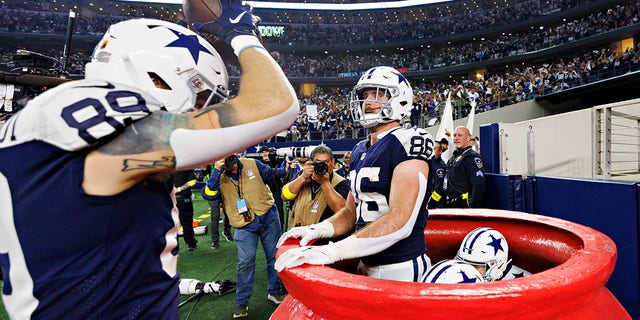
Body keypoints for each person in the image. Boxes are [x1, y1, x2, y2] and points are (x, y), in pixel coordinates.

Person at [0, 2, 298, 318]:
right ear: (160, 78)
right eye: (202, 99)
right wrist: (241, 35)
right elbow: (275, 105)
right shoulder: (99, 124)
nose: (202, 111)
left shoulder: (47, 124)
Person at [275, 66, 435, 283]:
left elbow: (401, 220)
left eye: (377, 94)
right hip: (365, 261)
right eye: (364, 95)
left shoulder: (409, 141)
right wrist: (318, 229)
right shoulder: (360, 149)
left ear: (400, 99)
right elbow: (351, 213)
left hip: (401, 265)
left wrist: (333, 251)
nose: (367, 101)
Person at [205, 154, 288, 318]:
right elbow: (209, 194)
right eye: (226, 160)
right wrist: (216, 170)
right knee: (246, 262)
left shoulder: (252, 163)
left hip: (268, 216)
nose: (232, 163)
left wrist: (286, 169)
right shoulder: (218, 176)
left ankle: (275, 291)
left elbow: (271, 173)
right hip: (243, 224)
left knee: (274, 256)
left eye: (232, 158)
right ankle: (241, 303)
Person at [281, 145, 350, 230]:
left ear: (332, 162)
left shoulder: (340, 182)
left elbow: (341, 210)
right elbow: (284, 196)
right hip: (298, 234)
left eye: (326, 162)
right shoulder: (303, 175)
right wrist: (302, 177)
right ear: (311, 162)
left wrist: (325, 183)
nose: (321, 165)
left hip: (323, 237)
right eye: (318, 162)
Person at [455, 227, 531, 281]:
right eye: (463, 263)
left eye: (475, 266)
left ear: (498, 265)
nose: (466, 269)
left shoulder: (524, 282)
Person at [442, 126, 486, 208]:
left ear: (468, 138)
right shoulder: (453, 158)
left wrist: (472, 209)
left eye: (460, 135)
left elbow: (478, 185)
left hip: (463, 207)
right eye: (454, 135)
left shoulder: (472, 157)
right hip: (449, 205)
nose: (456, 138)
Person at [200, 163, 233, 250]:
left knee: (229, 212)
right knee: (215, 216)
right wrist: (204, 168)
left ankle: (227, 232)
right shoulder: (208, 159)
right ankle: (215, 241)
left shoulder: (224, 159)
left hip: (226, 189)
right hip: (212, 191)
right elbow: (203, 174)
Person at [258, 146, 286, 228]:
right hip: (265, 190)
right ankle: (266, 225)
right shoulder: (259, 164)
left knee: (279, 208)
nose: (265, 154)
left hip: (276, 189)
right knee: (265, 208)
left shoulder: (276, 161)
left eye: (266, 151)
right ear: (260, 154)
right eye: (262, 152)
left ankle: (281, 224)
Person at [173, 170, 199, 250]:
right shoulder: (186, 166)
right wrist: (179, 189)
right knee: (187, 222)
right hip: (184, 198)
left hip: (170, 199)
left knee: (172, 224)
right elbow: (193, 181)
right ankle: (191, 243)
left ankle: (174, 247)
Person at [427, 138, 449, 209]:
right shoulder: (429, 163)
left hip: (435, 205)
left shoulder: (440, 167)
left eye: (434, 149)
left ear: (440, 151)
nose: (432, 151)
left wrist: (429, 205)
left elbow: (438, 191)